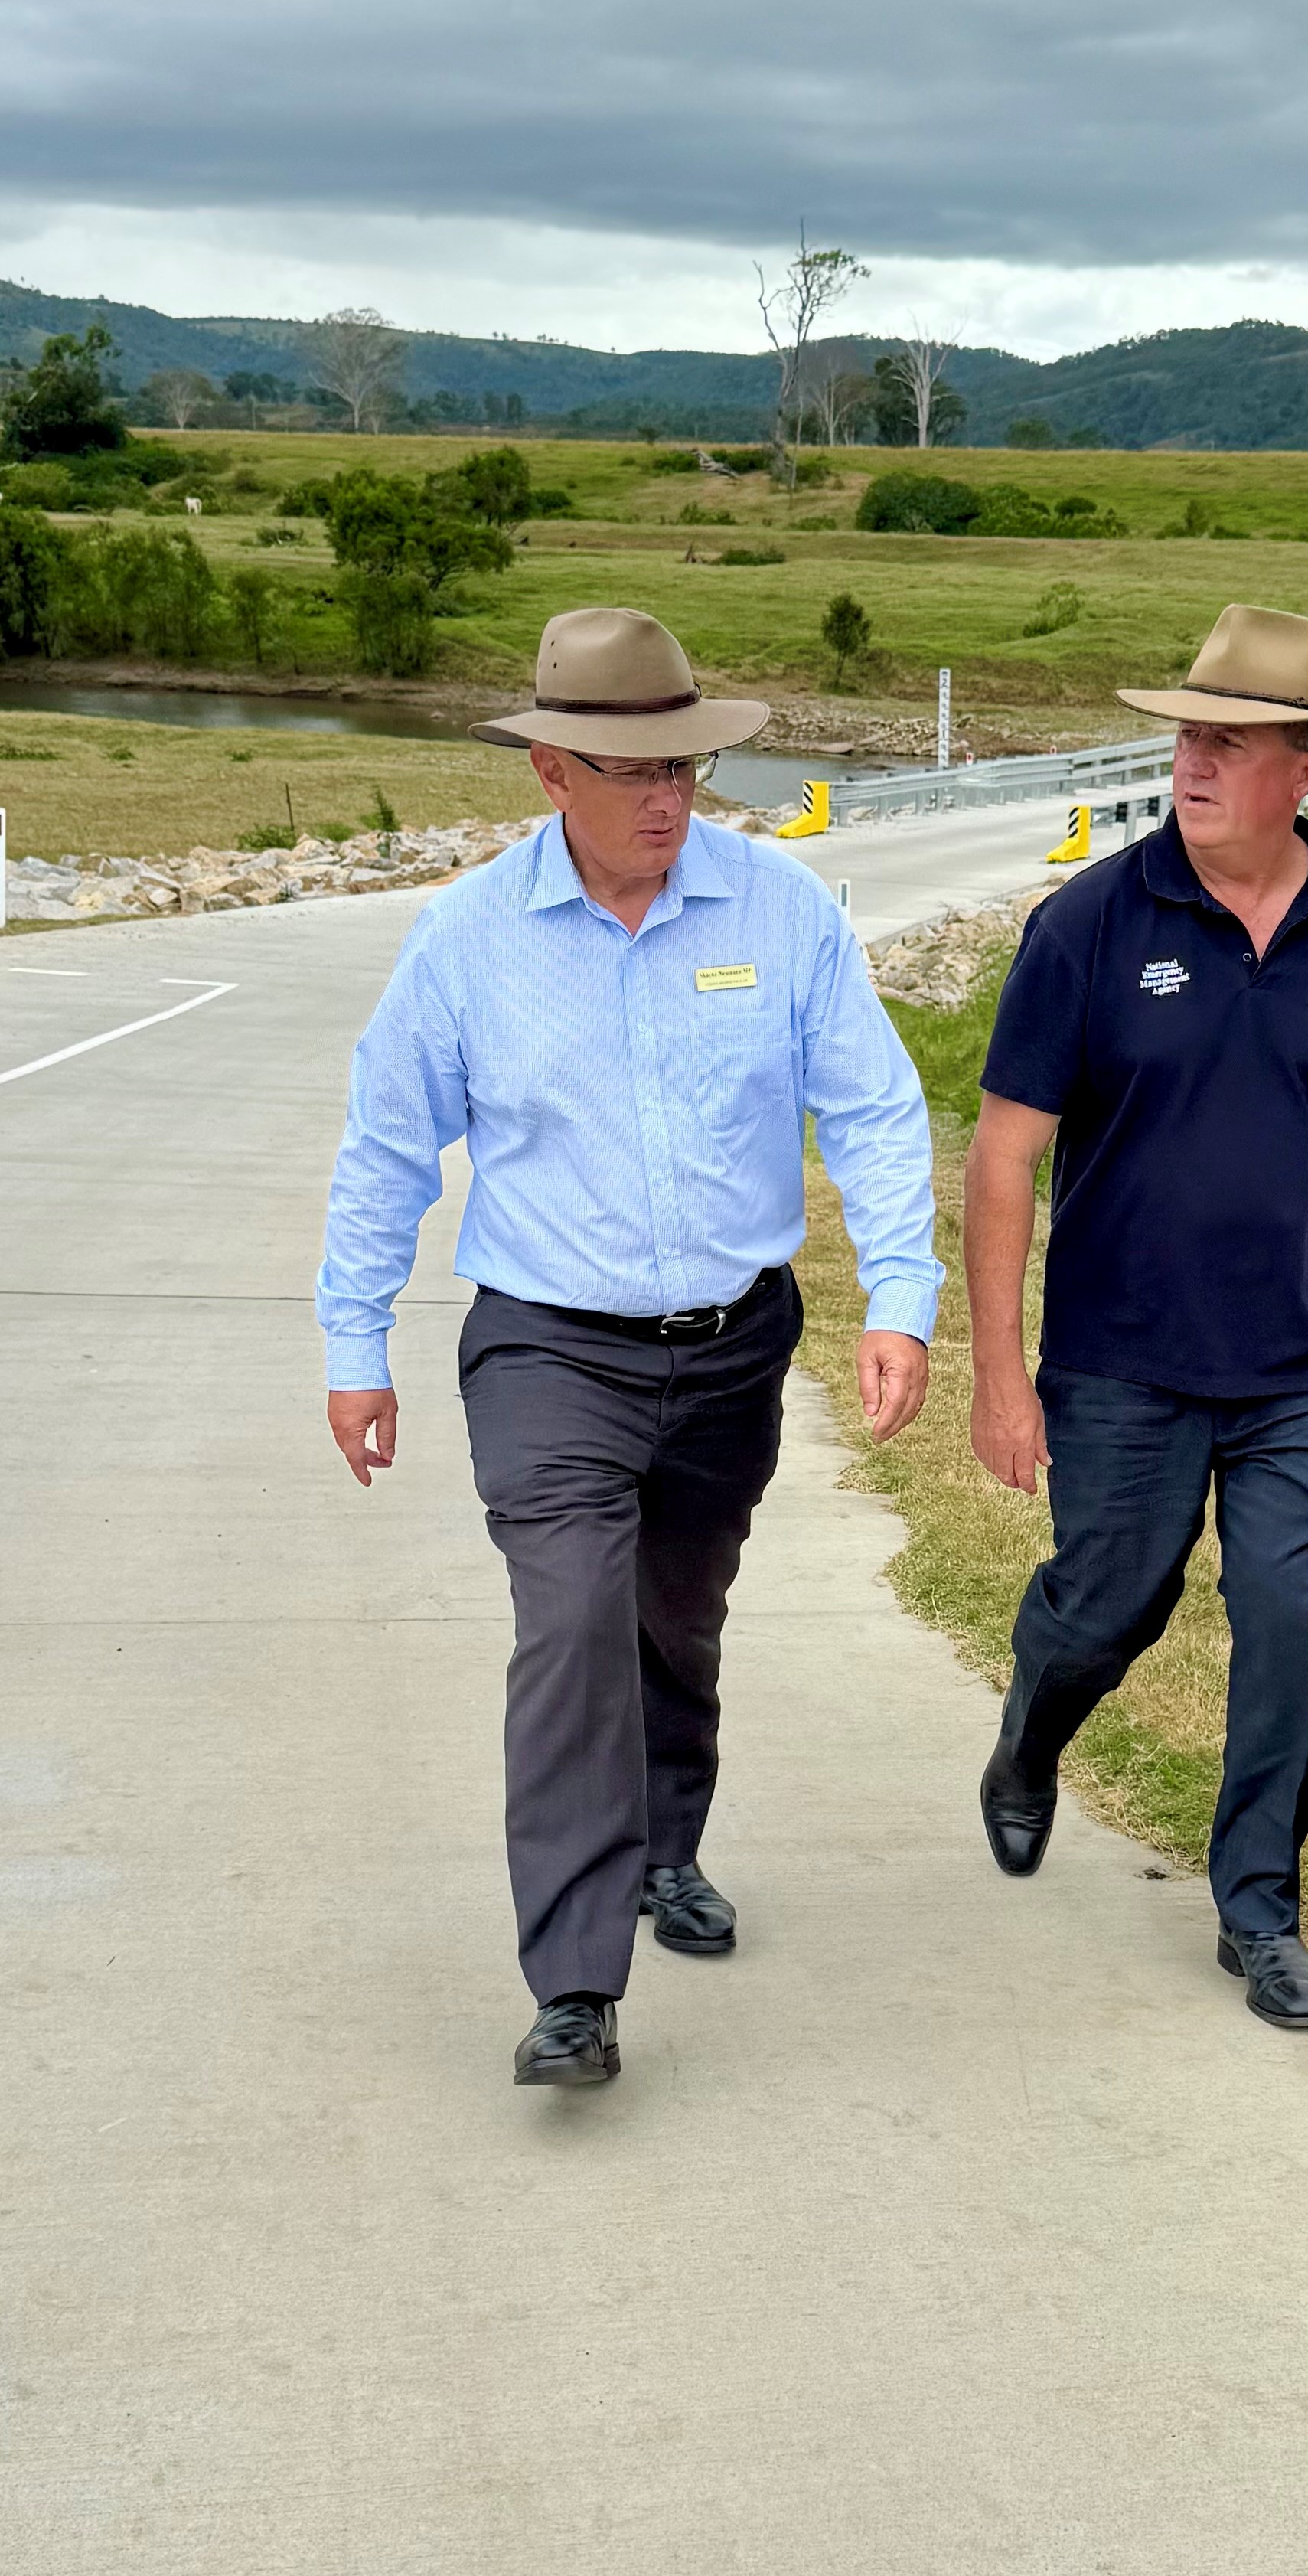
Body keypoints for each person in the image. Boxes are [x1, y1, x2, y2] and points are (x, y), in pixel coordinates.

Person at [318, 606, 939, 2090]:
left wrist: (902, 1298)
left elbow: (872, 1106)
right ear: (550, 772)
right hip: (548, 1347)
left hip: (731, 1348)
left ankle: (668, 1846)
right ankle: (576, 1982)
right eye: (631, 771)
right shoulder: (467, 942)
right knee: (572, 1620)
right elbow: (387, 1148)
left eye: (684, 766)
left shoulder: (777, 913)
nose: (667, 799)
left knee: (674, 1615)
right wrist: (356, 1340)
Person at [965, 605, 1308, 2030]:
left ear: (1305, 767)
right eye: (1185, 735)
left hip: (1304, 1359)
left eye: (1227, 744)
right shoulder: (1088, 925)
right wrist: (1000, 1378)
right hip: (1122, 1355)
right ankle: (1031, 1733)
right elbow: (1004, 1154)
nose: (1190, 762)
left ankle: (1259, 1906)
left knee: (1293, 1608)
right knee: (1111, 1597)